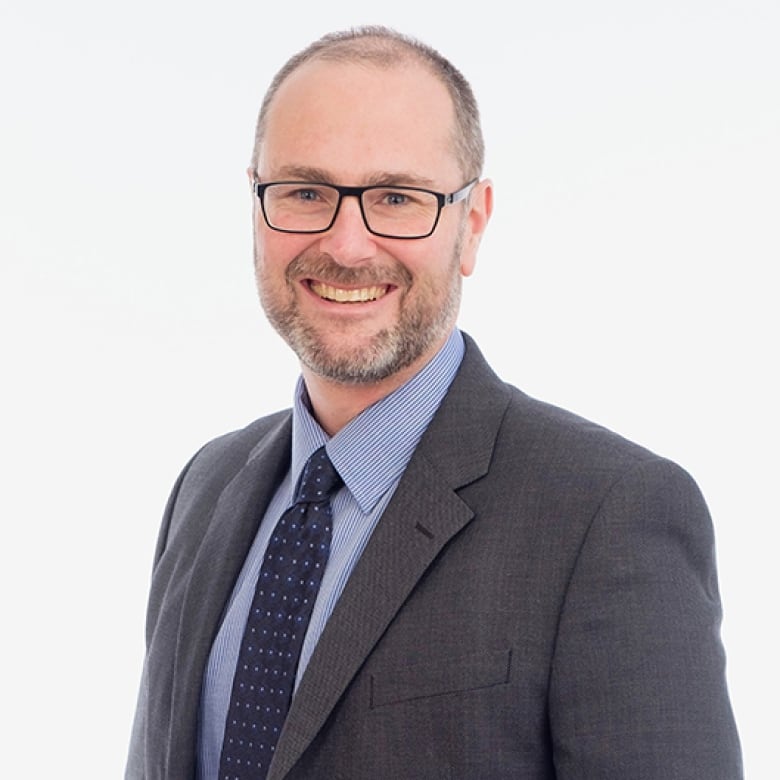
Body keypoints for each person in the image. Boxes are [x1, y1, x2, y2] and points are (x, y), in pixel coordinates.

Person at [126, 25, 742, 780]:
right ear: (256, 203)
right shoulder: (206, 487)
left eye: (396, 197)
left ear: (472, 223)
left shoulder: (608, 516)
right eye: (306, 191)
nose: (348, 245)